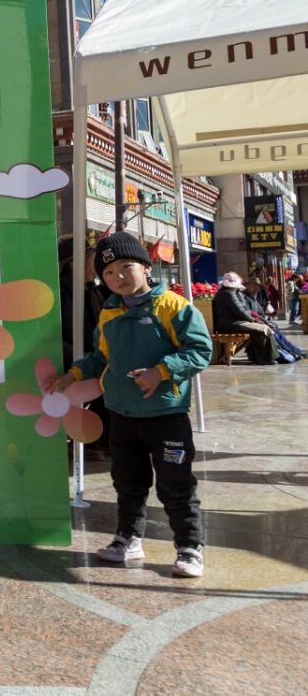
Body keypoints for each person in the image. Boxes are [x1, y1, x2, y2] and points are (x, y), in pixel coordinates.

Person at [45, 232, 212, 578]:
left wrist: (161, 372)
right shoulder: (109, 311)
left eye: (126, 267)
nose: (117, 277)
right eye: (108, 272)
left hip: (166, 415)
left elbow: (199, 351)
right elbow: (101, 357)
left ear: (146, 267)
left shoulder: (174, 306)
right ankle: (128, 538)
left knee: (176, 484)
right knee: (127, 482)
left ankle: (189, 547)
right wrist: (73, 374)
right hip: (122, 414)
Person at [58, 236, 110, 459]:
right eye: (90, 259)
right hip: (69, 362)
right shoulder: (59, 293)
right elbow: (54, 338)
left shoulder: (94, 291)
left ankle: (99, 439)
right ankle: (93, 440)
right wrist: (83, 359)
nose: (95, 265)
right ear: (73, 263)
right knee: (107, 378)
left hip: (92, 357)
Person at [213, 272, 278, 365]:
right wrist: (253, 320)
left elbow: (242, 309)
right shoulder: (228, 294)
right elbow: (239, 311)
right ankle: (265, 359)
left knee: (262, 329)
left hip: (232, 323)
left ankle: (262, 357)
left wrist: (254, 320)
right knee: (263, 329)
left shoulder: (228, 293)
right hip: (231, 324)